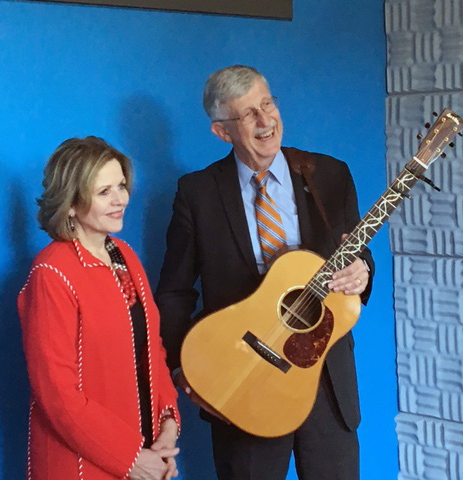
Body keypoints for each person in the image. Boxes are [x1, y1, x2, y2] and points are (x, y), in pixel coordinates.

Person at [155, 65, 375, 480]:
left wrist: (362, 273)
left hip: (326, 379)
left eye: (267, 104)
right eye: (248, 114)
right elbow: (175, 291)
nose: (265, 120)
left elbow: (354, 253)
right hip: (244, 378)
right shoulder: (196, 194)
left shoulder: (330, 175)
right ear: (222, 132)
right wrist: (187, 366)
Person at [18, 137, 180, 480]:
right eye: (104, 191)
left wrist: (167, 423)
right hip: (80, 465)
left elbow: (152, 349)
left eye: (121, 186)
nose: (120, 199)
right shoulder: (52, 272)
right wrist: (130, 458)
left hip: (145, 454)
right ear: (71, 203)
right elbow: (56, 394)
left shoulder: (125, 255)